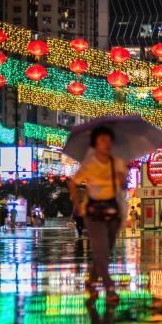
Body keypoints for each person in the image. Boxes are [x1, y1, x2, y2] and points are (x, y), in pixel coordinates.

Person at [69, 125, 127, 302]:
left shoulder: (116, 161)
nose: (106, 143)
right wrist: (76, 199)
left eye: (108, 140)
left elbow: (123, 185)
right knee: (101, 249)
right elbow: (74, 182)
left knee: (105, 250)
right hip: (93, 211)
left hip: (113, 209)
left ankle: (93, 280)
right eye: (102, 140)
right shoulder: (90, 163)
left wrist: (120, 179)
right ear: (95, 143)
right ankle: (109, 288)